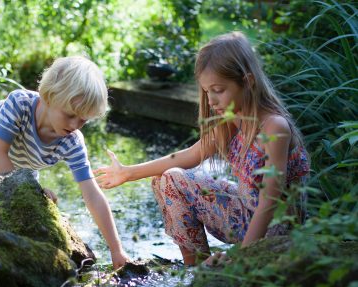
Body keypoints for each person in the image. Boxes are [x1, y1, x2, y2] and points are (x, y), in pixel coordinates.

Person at [94, 32, 310, 266]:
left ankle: (222, 271)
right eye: (207, 91)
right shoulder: (233, 121)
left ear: (247, 81)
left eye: (218, 90)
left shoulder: (274, 127)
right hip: (245, 212)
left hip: (275, 230)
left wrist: (241, 257)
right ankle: (197, 270)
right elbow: (190, 155)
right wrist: (128, 173)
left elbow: (269, 203)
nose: (211, 101)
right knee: (169, 180)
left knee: (173, 179)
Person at [0, 56, 130, 269]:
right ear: (48, 97)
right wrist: (33, 190)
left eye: (83, 120)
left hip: (26, 159)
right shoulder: (19, 104)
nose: (75, 125)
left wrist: (116, 250)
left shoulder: (72, 141)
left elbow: (91, 194)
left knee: (28, 202)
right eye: (70, 115)